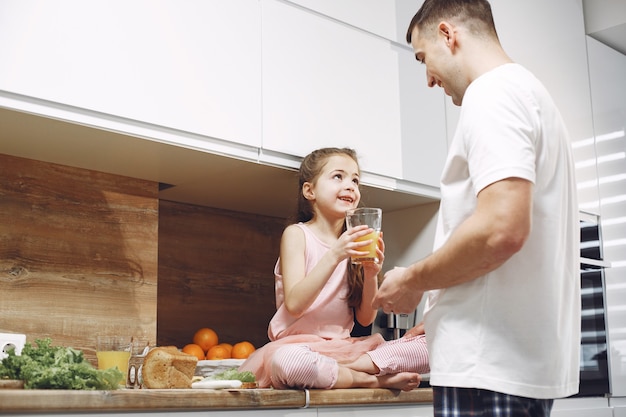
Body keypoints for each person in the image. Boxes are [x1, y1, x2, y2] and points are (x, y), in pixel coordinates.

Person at [372, 1, 580, 416]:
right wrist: (443, 315)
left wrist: (413, 281)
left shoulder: (492, 93)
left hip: (487, 369)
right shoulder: (531, 95)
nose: (429, 79)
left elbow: (500, 229)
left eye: (423, 58)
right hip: (510, 363)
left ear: (448, 35)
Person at [239, 147, 429, 391]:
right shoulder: (297, 235)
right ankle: (372, 380)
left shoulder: (356, 244)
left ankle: (344, 372)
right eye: (338, 176)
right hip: (300, 350)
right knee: (289, 362)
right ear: (310, 190)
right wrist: (335, 254)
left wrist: (371, 274)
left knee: (432, 344)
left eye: (355, 180)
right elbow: (295, 304)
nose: (350, 185)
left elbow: (365, 318)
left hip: (346, 349)